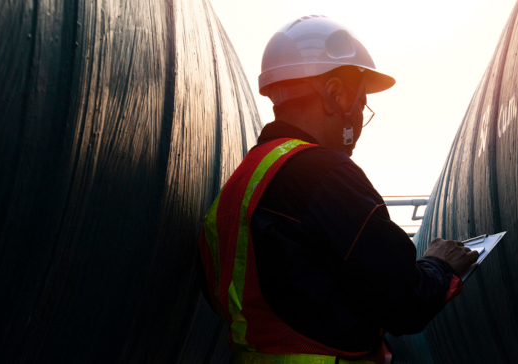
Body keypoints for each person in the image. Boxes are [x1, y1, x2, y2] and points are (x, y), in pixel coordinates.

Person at [197, 15, 479, 364]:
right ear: (334, 95)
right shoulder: (322, 173)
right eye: (361, 104)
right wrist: (441, 265)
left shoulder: (240, 184)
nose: (360, 119)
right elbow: (405, 304)